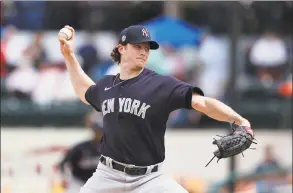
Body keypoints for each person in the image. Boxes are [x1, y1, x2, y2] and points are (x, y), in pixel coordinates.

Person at [58, 25, 252, 193]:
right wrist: (69, 55)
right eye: (137, 46)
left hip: (149, 178)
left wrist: (238, 120)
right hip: (107, 175)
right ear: (121, 49)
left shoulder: (161, 84)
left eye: (147, 48)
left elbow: (202, 103)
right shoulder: (106, 85)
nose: (144, 51)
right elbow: (84, 90)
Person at [58, 113, 103, 193]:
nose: (99, 134)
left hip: (99, 184)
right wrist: (64, 178)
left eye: (101, 131)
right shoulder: (80, 148)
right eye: (97, 131)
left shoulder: (109, 149)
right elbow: (63, 164)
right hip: (78, 182)